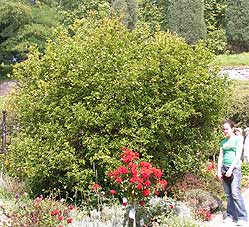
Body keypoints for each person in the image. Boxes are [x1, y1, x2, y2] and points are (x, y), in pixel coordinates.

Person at [217, 120, 248, 226]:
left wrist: (231, 169)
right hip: (224, 169)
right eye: (223, 129)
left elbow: (238, 155)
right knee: (228, 195)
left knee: (235, 193)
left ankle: (242, 217)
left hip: (234, 169)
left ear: (232, 129)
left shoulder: (238, 139)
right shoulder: (223, 142)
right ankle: (230, 216)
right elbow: (220, 157)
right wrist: (218, 170)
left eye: (227, 129)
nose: (225, 131)